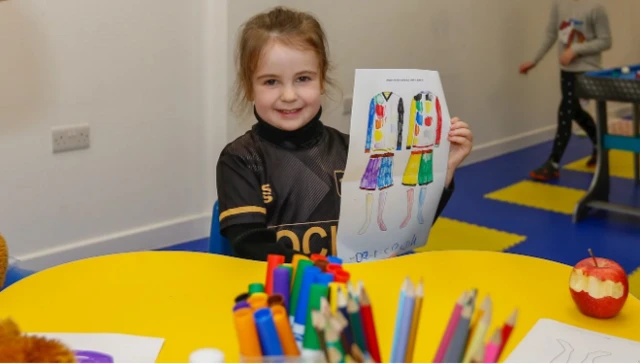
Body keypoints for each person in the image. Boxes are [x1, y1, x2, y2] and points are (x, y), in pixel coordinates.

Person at [216, 6, 474, 262]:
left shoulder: (353, 151)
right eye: (271, 81)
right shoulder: (241, 159)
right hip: (279, 295)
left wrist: (444, 170)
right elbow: (249, 243)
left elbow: (401, 227)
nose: (289, 95)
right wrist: (325, 271)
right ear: (249, 87)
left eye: (303, 78)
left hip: (350, 293)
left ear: (322, 80)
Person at [520, 0, 612, 181]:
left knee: (565, 110)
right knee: (574, 111)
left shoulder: (596, 7)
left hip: (587, 69)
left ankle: (553, 163)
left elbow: (605, 40)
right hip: (567, 71)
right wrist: (534, 60)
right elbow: (551, 34)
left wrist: (576, 50)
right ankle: (600, 147)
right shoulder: (559, 4)